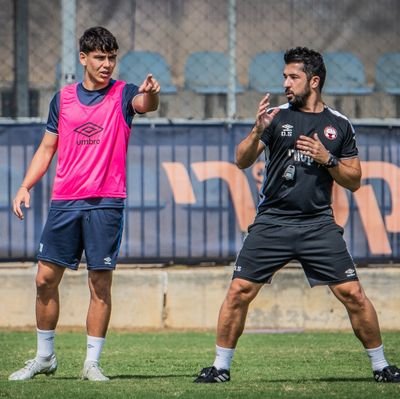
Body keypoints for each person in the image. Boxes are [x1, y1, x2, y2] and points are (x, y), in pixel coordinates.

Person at [194, 47, 400, 384]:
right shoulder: (275, 116)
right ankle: (220, 367)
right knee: (238, 292)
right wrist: (257, 130)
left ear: (314, 81)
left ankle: (381, 366)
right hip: (272, 221)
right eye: (284, 77)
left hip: (318, 225)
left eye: (294, 77)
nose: (286, 83)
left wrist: (326, 158)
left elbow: (355, 180)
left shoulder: (339, 125)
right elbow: (241, 160)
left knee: (353, 295)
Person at [9, 26, 160, 381]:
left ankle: (92, 362)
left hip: (106, 203)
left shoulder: (125, 94)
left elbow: (145, 104)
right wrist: (25, 185)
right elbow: (47, 148)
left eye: (111, 58)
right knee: (45, 279)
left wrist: (152, 95)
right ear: (83, 58)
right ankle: (45, 357)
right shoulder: (62, 99)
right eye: (99, 58)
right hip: (65, 202)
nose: (107, 65)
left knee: (100, 284)